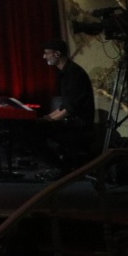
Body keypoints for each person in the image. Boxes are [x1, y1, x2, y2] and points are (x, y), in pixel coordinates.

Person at [41, 38, 96, 169]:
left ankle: (60, 168)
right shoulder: (66, 72)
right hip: (73, 121)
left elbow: (71, 109)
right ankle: (58, 167)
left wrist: (48, 121)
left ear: (57, 54)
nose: (44, 56)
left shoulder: (74, 73)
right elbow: (64, 106)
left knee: (37, 133)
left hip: (79, 125)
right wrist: (46, 118)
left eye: (46, 53)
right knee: (39, 127)